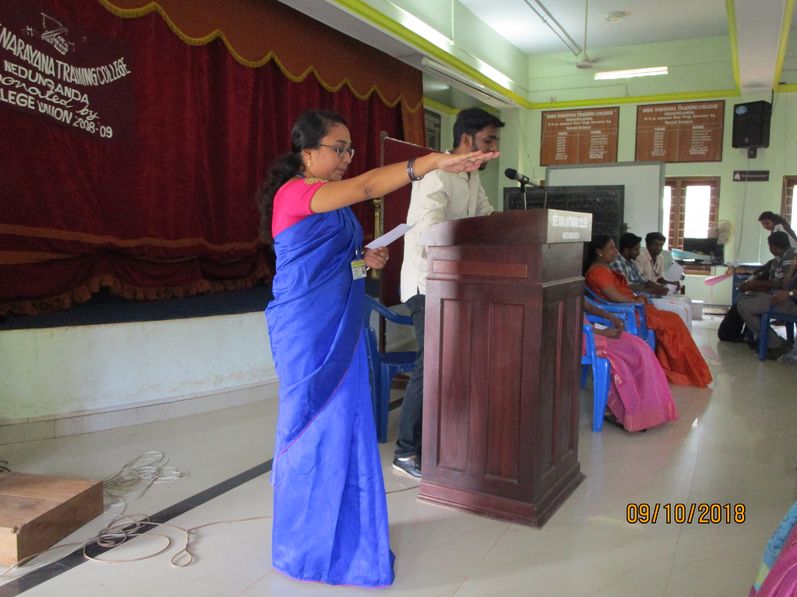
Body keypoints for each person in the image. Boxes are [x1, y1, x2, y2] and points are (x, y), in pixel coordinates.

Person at [257, 110, 497, 586]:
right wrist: (430, 163)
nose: (347, 156)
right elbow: (368, 186)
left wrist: (364, 259)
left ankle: (347, 530)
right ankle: (303, 545)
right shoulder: (296, 193)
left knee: (345, 424)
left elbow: (336, 261)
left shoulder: (331, 202)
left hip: (341, 319)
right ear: (307, 152)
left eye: (349, 149)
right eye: (338, 148)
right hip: (307, 328)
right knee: (310, 425)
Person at [394, 107, 504, 479]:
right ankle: (406, 452)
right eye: (489, 140)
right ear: (466, 139)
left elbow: (485, 216)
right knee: (431, 366)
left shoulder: (472, 177)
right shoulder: (437, 173)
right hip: (427, 284)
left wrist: (515, 226)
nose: (494, 149)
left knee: (452, 365)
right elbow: (431, 232)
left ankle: (439, 441)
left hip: (453, 285)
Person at [584, 235, 712, 387]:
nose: (616, 251)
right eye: (611, 248)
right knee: (672, 321)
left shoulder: (605, 268)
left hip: (634, 307)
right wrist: (635, 301)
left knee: (673, 319)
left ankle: (684, 370)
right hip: (629, 312)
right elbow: (615, 297)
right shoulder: (598, 271)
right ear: (599, 252)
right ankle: (683, 371)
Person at [584, 301, 678, 432]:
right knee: (629, 355)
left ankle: (647, 410)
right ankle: (623, 410)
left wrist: (611, 317)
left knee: (641, 346)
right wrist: (604, 332)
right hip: (583, 337)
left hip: (592, 331)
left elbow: (587, 306)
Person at [611, 232, 693, 330]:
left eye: (661, 245)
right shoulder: (618, 262)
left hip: (644, 295)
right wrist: (650, 290)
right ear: (626, 249)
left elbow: (645, 280)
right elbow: (626, 286)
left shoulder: (630, 263)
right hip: (636, 299)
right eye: (636, 250)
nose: (638, 252)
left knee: (685, 304)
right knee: (679, 311)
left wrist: (659, 287)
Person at [736, 231, 797, 359]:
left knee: (746, 308)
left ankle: (777, 344)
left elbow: (785, 288)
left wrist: (789, 292)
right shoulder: (783, 258)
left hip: (791, 302)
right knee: (743, 300)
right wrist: (792, 269)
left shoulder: (789, 256)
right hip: (782, 296)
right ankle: (772, 342)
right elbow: (784, 284)